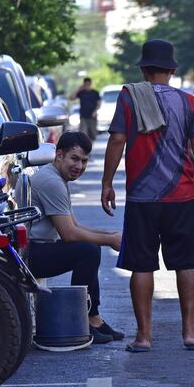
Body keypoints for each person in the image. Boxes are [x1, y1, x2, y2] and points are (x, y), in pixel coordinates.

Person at [101, 39, 194, 353]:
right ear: (171, 70)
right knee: (187, 264)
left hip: (142, 199)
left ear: (143, 69)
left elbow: (116, 141)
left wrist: (107, 183)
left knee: (141, 266)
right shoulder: (189, 102)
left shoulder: (129, 98)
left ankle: (143, 337)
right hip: (179, 197)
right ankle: (191, 334)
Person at [28, 131, 124, 344]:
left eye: (84, 161)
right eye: (75, 158)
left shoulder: (56, 177)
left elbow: (75, 226)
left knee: (90, 246)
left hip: (39, 247)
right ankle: (82, 319)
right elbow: (69, 234)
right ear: (59, 155)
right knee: (87, 250)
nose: (79, 166)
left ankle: (94, 318)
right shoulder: (51, 182)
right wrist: (109, 241)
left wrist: (111, 235)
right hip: (30, 254)